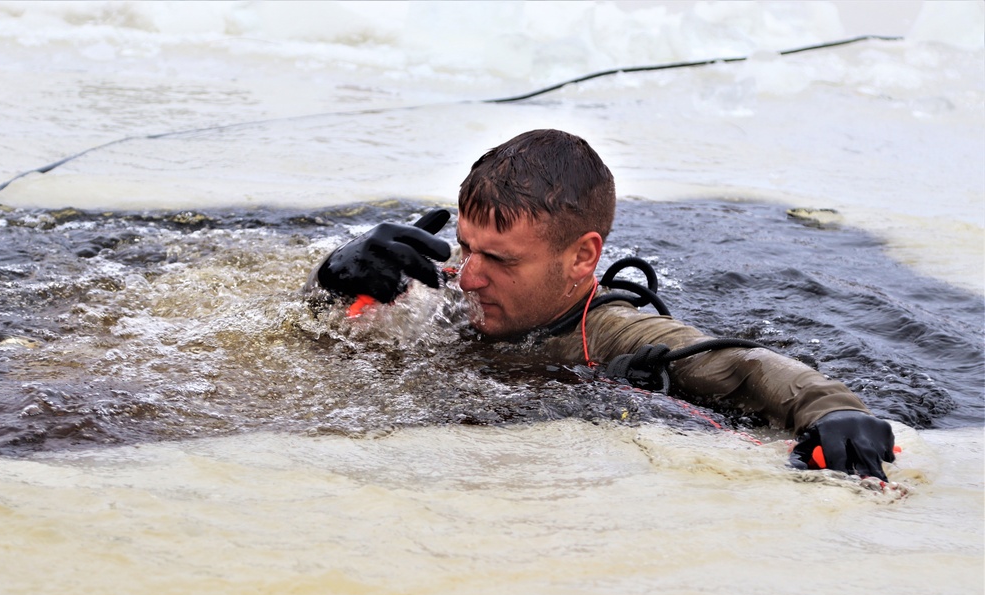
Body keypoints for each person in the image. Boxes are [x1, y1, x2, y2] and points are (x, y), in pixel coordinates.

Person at [307, 129, 896, 481]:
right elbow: (302, 337)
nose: (469, 278)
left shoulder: (614, 332)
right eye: (466, 247)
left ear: (583, 257)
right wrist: (332, 280)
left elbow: (744, 366)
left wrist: (832, 412)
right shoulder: (437, 287)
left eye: (503, 261)